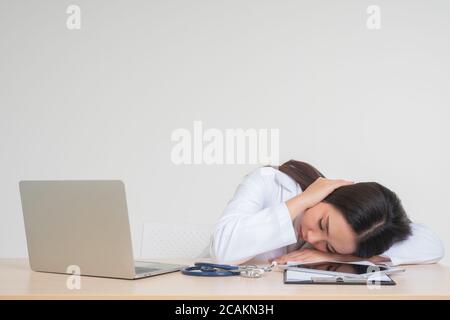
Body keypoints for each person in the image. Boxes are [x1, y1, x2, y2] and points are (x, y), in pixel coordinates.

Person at [209, 160, 444, 265]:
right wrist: (303, 200)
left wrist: (336, 257)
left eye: (329, 245)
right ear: (333, 195)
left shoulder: (357, 235)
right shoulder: (268, 182)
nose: (312, 239)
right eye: (323, 224)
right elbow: (223, 252)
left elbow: (432, 245)